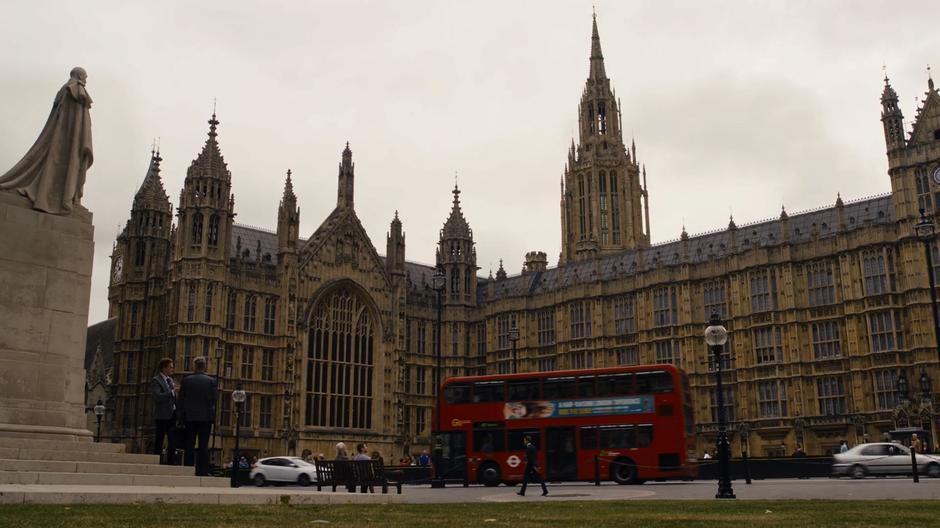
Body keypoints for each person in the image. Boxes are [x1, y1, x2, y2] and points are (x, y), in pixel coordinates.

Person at [177, 356, 217, 476]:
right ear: (204, 366)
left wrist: (180, 418)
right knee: (203, 446)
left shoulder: (186, 380)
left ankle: (188, 469)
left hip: (190, 418)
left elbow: (181, 401)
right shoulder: (211, 381)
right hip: (205, 419)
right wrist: (212, 417)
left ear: (194, 366)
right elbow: (214, 400)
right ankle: (202, 471)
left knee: (189, 444)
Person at [149, 358, 178, 464]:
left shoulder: (170, 380)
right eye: (170, 367)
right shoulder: (156, 380)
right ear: (163, 368)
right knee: (160, 439)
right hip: (162, 415)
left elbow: (174, 396)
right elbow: (158, 397)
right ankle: (156, 460)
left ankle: (171, 462)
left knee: (172, 440)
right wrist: (172, 392)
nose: (172, 369)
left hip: (172, 414)